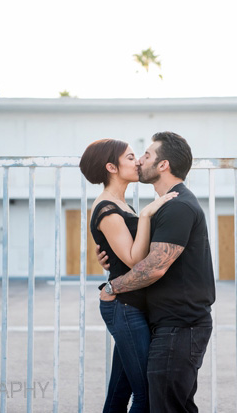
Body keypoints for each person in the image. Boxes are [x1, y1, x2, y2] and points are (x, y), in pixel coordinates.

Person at [100, 131, 216, 413]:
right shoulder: (164, 207)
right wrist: (113, 260)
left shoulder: (178, 207)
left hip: (181, 325)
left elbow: (155, 267)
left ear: (163, 165)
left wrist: (112, 287)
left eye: (147, 155)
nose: (140, 160)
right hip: (167, 323)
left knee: (168, 407)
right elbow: (140, 258)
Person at [80, 138, 177, 412]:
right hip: (124, 306)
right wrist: (147, 215)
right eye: (131, 157)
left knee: (119, 394)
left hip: (131, 303)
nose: (138, 162)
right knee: (146, 394)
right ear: (111, 166)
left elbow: (124, 254)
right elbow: (135, 259)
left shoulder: (120, 205)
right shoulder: (108, 209)